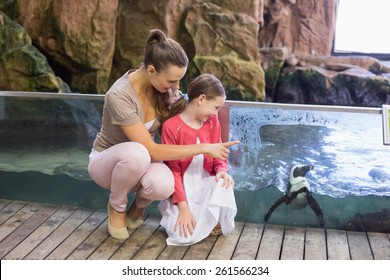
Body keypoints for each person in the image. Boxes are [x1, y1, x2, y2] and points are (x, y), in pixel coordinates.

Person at [87, 29, 239, 240]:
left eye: (179, 80)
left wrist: (215, 113)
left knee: (164, 184)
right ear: (151, 71)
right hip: (108, 163)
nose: (176, 87)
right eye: (172, 81)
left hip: (143, 161)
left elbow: (191, 108)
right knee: (137, 153)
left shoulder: (165, 91)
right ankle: (117, 207)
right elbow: (151, 149)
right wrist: (205, 147)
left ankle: (139, 206)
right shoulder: (119, 95)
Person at [158, 74, 238, 246]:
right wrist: (183, 208)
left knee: (224, 183)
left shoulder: (212, 122)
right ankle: (196, 218)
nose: (216, 113)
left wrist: (222, 171)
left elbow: (219, 157)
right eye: (216, 107)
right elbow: (173, 170)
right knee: (182, 238)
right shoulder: (171, 127)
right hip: (183, 190)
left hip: (205, 183)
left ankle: (212, 219)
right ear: (201, 99)